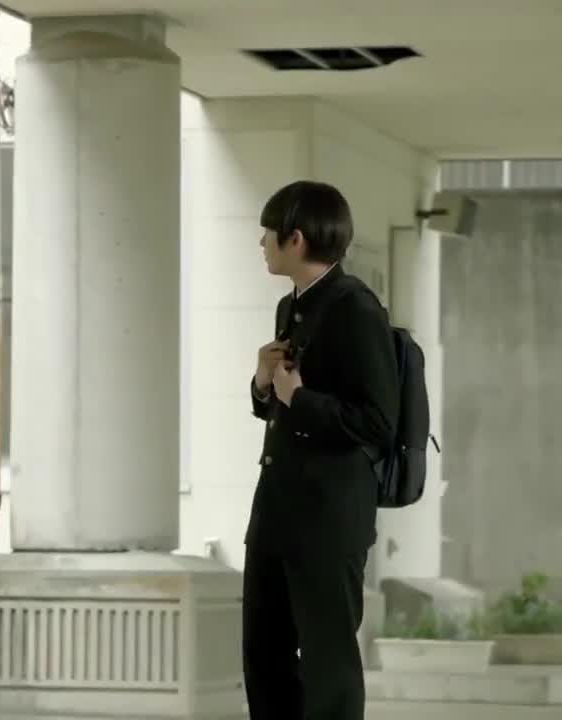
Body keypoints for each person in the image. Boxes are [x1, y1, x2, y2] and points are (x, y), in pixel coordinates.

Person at [243, 180, 400, 720]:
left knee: (328, 660)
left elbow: (378, 422)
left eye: (268, 232)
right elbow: (282, 408)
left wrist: (299, 398)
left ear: (297, 239)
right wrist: (263, 383)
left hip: (329, 517)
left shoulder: (356, 308)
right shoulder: (290, 306)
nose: (261, 242)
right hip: (277, 510)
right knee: (264, 652)